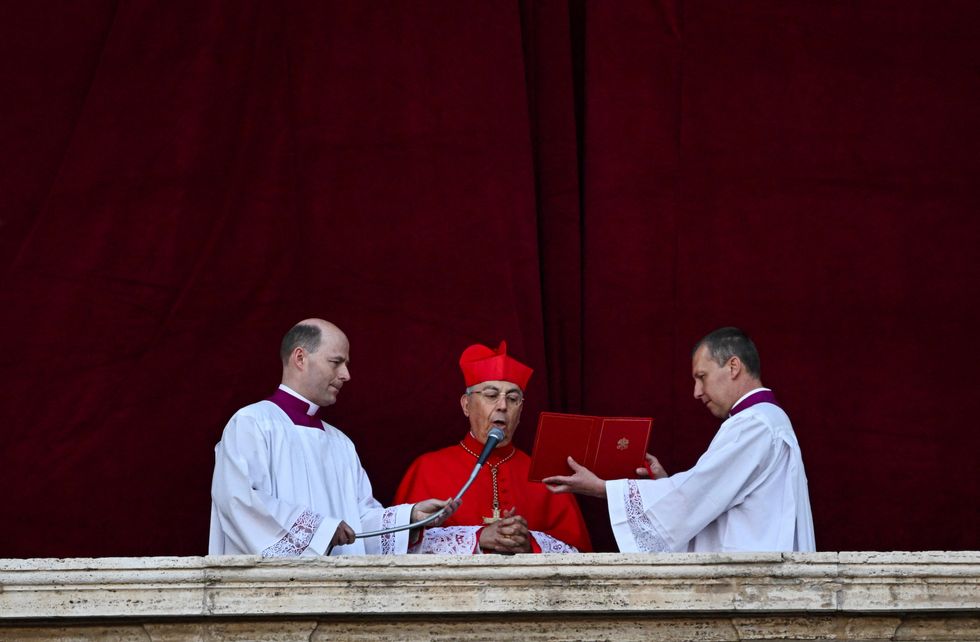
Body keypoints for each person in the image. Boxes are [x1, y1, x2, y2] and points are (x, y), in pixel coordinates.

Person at [544, 327, 815, 552]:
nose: (697, 392)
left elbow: (698, 494)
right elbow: (710, 496)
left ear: (733, 366)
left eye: (702, 377)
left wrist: (603, 488)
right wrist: (664, 484)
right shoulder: (765, 419)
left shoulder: (754, 424)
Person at [209, 318, 456, 556]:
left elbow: (358, 521)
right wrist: (321, 530)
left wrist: (410, 517)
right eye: (336, 362)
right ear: (300, 358)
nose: (346, 374)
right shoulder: (252, 423)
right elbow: (240, 503)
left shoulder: (340, 443)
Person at [395, 341, 592, 554]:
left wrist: (530, 544)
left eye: (513, 398)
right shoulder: (427, 469)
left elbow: (578, 556)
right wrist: (479, 538)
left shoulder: (546, 476)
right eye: (491, 395)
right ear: (466, 405)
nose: (502, 405)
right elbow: (401, 547)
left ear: (521, 409)